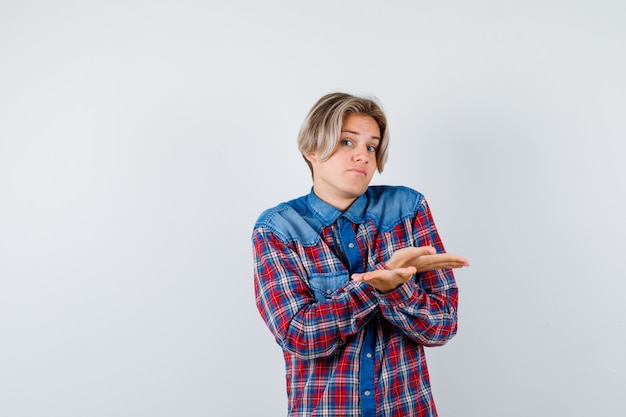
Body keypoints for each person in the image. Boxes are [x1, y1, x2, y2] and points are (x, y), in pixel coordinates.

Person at [252, 92, 469, 417]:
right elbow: (298, 335)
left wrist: (398, 290)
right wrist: (375, 287)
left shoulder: (407, 209)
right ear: (312, 149)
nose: (364, 156)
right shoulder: (278, 228)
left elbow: (442, 326)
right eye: (347, 143)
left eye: (371, 146)